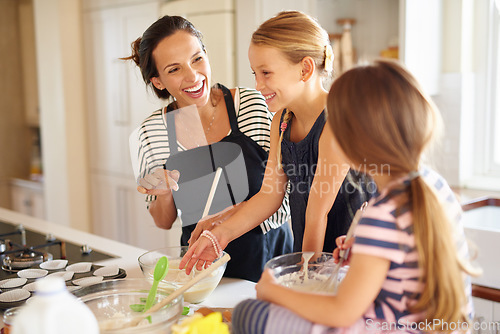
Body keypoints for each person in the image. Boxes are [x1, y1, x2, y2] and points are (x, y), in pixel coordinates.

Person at [231, 59, 479, 334]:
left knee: (248, 312)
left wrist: (271, 290)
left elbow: (342, 311)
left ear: (354, 140)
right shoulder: (434, 186)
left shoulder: (382, 214)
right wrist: (360, 253)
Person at [180, 11, 374, 274]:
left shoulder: (337, 120)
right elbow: (269, 195)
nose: (258, 85)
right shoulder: (282, 121)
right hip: (314, 253)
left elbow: (317, 216)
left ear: (305, 69)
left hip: (355, 260)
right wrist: (220, 234)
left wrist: (306, 280)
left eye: (266, 73)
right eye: (255, 73)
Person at [125, 15, 293, 282]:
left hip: (269, 261)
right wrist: (165, 191)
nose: (193, 76)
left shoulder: (251, 104)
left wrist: (225, 222)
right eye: (174, 69)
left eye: (196, 59)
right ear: (158, 81)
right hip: (203, 268)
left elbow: (283, 196)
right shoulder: (152, 131)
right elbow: (162, 220)